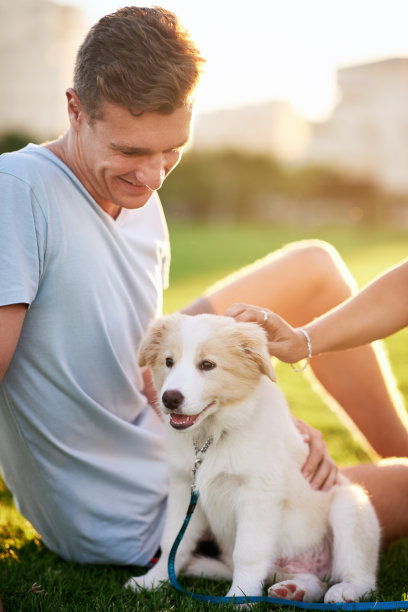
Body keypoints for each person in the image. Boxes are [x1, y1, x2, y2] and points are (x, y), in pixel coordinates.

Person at [0, 7, 406, 569]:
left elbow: (151, 371)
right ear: (75, 109)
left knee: (315, 266)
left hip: (172, 433)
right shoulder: (17, 191)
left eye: (172, 149)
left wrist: (269, 421)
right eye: (131, 151)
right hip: (144, 507)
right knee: (406, 486)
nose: (154, 175)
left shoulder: (140, 200)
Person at [222, 259, 408, 544]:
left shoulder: (144, 219)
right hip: (162, 467)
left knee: (317, 266)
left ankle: (400, 451)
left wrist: (301, 341)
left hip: (152, 406)